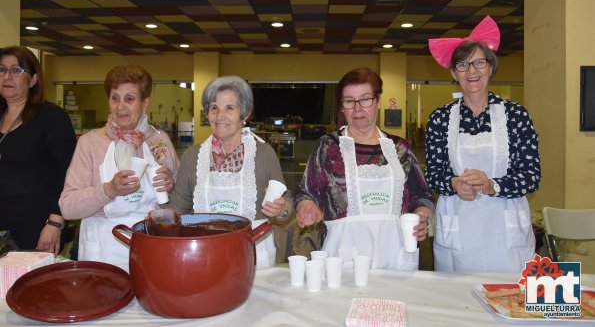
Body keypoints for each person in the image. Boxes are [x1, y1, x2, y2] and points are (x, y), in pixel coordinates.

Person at [425, 16, 541, 273]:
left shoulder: (516, 115)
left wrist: (492, 185)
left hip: (505, 232)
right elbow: (433, 174)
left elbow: (531, 177)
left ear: (491, 67)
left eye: (479, 62)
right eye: (463, 65)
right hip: (459, 229)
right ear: (454, 73)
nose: (472, 71)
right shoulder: (440, 118)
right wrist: (453, 184)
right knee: (457, 304)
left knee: (511, 300)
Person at [294, 67, 434, 270]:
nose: (358, 108)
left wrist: (422, 218)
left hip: (395, 255)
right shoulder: (328, 146)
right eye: (349, 101)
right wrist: (307, 207)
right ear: (342, 107)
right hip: (342, 258)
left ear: (377, 102)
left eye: (365, 99)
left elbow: (422, 196)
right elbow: (306, 193)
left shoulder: (399, 148)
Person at [59, 64, 179, 267]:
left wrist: (171, 184)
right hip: (103, 248)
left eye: (129, 99)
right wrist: (108, 190)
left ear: (145, 103)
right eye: (115, 98)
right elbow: (68, 207)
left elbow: (182, 201)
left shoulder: (159, 141)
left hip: (150, 246)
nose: (120, 106)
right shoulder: (90, 143)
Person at [167, 76, 291, 267]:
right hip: (206, 254)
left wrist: (282, 209)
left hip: (254, 255)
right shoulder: (193, 157)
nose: (220, 116)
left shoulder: (264, 154)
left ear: (245, 113)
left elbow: (287, 203)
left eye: (229, 108)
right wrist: (158, 218)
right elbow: (178, 206)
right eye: (214, 108)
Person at [0, 46, 76, 254]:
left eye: (16, 70)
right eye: (1, 69)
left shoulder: (51, 117)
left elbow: (69, 173)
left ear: (33, 80)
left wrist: (55, 224)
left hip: (35, 228)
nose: (7, 76)